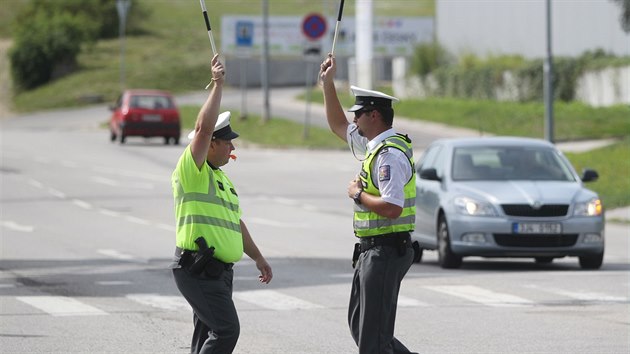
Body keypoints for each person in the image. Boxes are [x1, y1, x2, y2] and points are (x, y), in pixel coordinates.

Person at [170, 54, 273, 354]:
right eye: (227, 141)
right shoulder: (193, 171)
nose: (233, 147)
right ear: (211, 143)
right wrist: (217, 84)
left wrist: (258, 257)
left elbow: (235, 224)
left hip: (217, 272)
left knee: (206, 335)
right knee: (227, 331)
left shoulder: (222, 180)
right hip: (197, 268)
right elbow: (202, 128)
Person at [319, 53, 417, 354]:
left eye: (358, 115)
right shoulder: (372, 144)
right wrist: (327, 84)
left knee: (372, 340)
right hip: (372, 249)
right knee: (361, 324)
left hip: (387, 249)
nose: (353, 120)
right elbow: (337, 124)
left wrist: (357, 194)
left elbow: (392, 206)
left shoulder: (389, 155)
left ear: (374, 115)